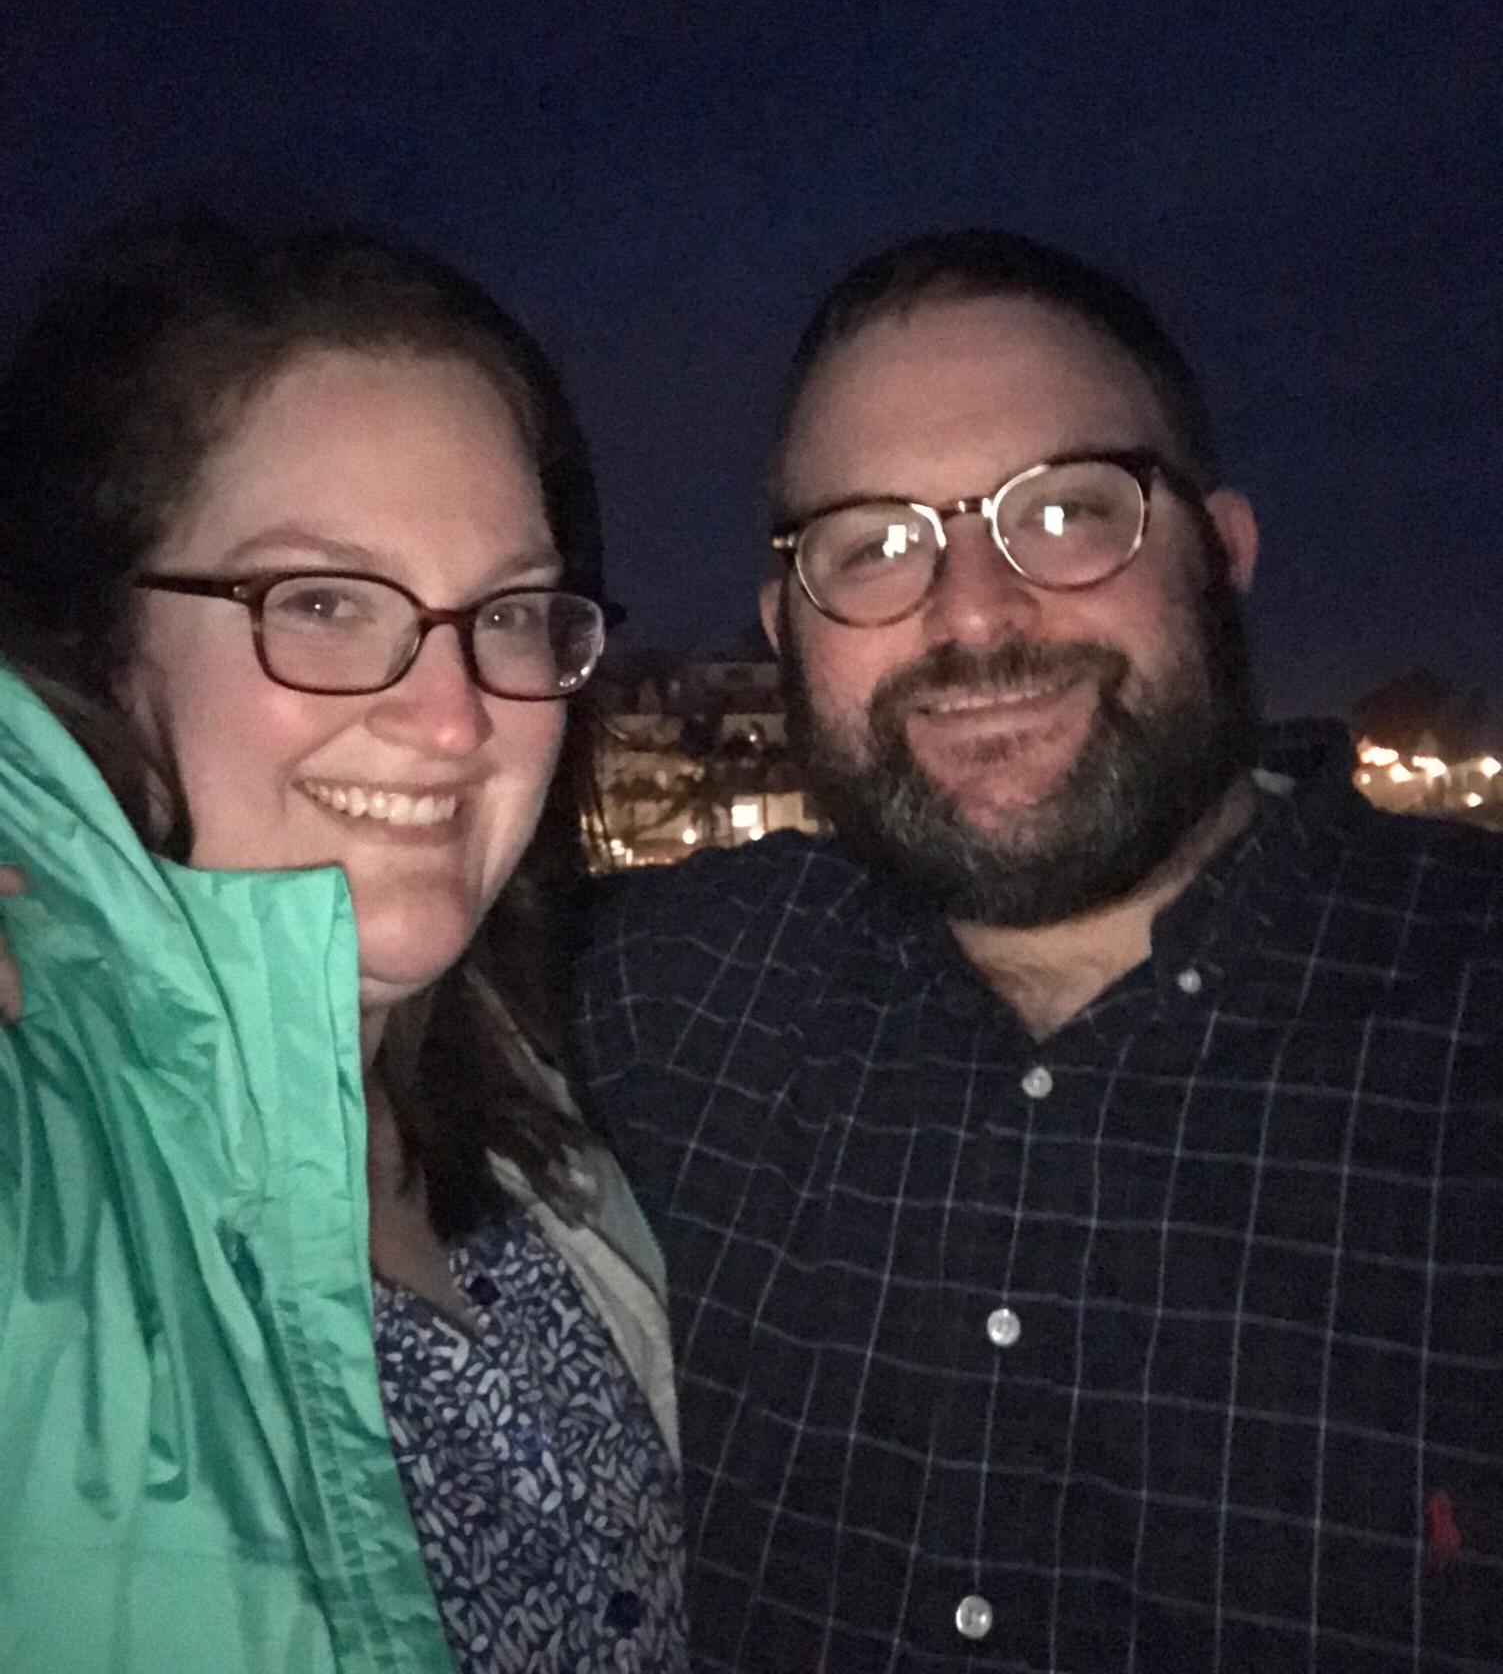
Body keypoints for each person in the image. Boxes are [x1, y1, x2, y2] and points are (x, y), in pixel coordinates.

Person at [572, 231, 1503, 1671]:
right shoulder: (671, 993)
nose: (976, 616)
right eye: (875, 546)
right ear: (785, 628)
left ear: (1225, 550)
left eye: (1066, 515)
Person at [0, 218, 686, 1673]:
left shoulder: (541, 1102)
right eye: (319, 601)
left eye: (506, 612)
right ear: (100, 641)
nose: (453, 718)